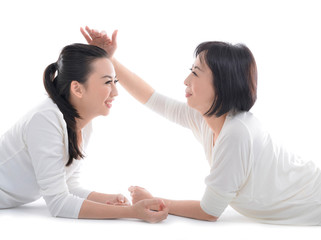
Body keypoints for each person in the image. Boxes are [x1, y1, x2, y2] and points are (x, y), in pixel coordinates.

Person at [81, 26, 321, 226]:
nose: (186, 80)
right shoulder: (207, 118)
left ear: (221, 84)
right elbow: (151, 98)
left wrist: (155, 201)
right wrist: (109, 58)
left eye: (195, 73)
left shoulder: (237, 132)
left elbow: (209, 211)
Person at [0, 43, 168, 223]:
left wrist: (106, 199)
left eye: (115, 81)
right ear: (77, 88)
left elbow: (68, 185)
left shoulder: (84, 125)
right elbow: (58, 203)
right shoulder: (45, 120)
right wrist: (132, 212)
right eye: (107, 82)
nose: (116, 92)